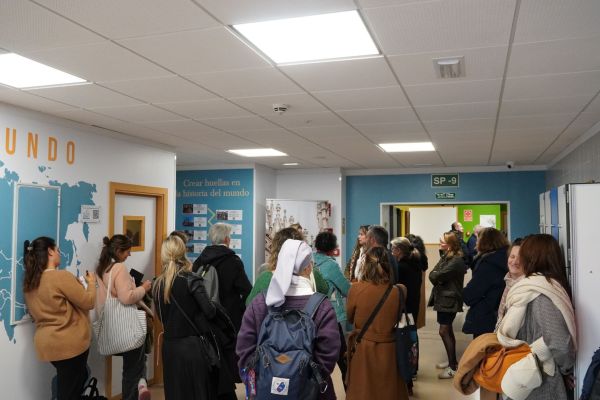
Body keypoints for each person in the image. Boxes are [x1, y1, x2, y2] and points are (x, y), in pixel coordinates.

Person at [237, 239, 340, 399]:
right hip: (311, 394)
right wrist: (307, 384)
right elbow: (329, 354)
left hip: (265, 391)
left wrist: (256, 383)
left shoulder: (261, 302)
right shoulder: (322, 306)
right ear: (308, 267)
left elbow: (244, 348)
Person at [496, 234, 576, 400]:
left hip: (534, 380)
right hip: (538, 381)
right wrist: (567, 369)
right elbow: (560, 343)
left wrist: (565, 368)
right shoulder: (541, 290)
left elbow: (557, 340)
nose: (520, 260)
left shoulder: (537, 290)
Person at [24, 237, 96, 400]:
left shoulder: (30, 282)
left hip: (47, 345)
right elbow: (89, 302)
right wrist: (91, 283)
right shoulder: (60, 276)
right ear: (50, 251)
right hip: (69, 345)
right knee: (70, 391)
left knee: (67, 383)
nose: (59, 253)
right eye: (57, 250)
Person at [154, 234, 223, 400]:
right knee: (197, 392)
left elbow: (161, 317)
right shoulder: (191, 280)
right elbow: (210, 312)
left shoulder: (157, 283)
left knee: (175, 392)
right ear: (183, 252)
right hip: (192, 347)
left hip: (170, 347)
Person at [346, 246, 409, 400]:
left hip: (363, 349)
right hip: (390, 350)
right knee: (389, 391)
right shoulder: (400, 291)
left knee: (363, 392)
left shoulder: (355, 289)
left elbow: (350, 318)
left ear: (365, 265)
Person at [96, 235, 152, 400]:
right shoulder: (119, 268)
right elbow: (126, 297)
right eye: (127, 251)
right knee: (133, 369)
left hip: (113, 327)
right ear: (118, 251)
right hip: (127, 327)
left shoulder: (102, 268)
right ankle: (137, 390)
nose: (129, 255)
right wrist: (143, 288)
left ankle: (140, 387)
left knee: (133, 367)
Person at [246, 227, 329, 305]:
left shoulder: (267, 277)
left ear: (276, 250)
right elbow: (325, 292)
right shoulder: (313, 273)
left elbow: (250, 304)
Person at [193, 223, 252, 331]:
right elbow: (247, 291)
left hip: (205, 318)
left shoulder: (199, 261)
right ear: (226, 239)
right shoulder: (233, 261)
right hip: (229, 319)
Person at [313, 231, 350, 387]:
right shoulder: (331, 265)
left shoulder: (310, 261)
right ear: (333, 248)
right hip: (332, 314)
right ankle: (351, 391)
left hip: (314, 314)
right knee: (343, 358)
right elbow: (346, 290)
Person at [428, 231, 466, 379]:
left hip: (449, 300)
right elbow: (433, 272)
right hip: (444, 299)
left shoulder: (456, 261)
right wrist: (436, 274)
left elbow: (435, 275)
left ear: (450, 245)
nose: (440, 243)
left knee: (443, 331)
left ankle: (452, 368)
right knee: (447, 330)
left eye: (442, 241)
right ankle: (452, 362)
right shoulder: (447, 256)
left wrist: (436, 275)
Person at [462, 228, 509, 338]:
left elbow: (470, 295)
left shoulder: (488, 264)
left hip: (486, 318)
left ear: (485, 242)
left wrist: (462, 293)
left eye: (478, 239)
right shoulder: (503, 258)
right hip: (499, 316)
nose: (476, 242)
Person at [495, 238, 524, 330]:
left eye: (520, 258)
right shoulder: (509, 281)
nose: (515, 262)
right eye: (512, 256)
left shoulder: (525, 288)